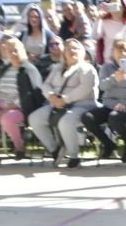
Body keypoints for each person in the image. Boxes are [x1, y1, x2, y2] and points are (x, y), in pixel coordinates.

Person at [28, 38, 99, 169]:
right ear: (64, 52)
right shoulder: (57, 68)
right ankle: (55, 150)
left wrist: (64, 99)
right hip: (57, 104)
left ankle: (74, 156)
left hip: (83, 105)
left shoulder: (87, 68)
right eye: (68, 48)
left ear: (82, 52)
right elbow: (46, 85)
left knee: (65, 122)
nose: (72, 51)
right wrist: (51, 96)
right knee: (34, 118)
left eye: (75, 48)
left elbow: (84, 88)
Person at [0, 37, 43, 166]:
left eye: (15, 50)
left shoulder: (30, 70)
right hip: (0, 107)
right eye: (10, 51)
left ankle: (19, 147)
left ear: (23, 50)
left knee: (7, 119)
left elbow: (29, 94)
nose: (13, 53)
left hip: (20, 109)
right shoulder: (4, 69)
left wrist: (6, 109)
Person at [81, 39, 126, 159]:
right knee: (87, 118)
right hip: (110, 105)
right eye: (118, 50)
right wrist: (114, 79)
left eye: (125, 50)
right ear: (113, 53)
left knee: (114, 117)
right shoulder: (107, 68)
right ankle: (108, 144)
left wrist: (124, 104)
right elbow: (102, 86)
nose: (122, 53)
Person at [95, 0, 126, 65]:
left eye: (115, 2)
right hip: (109, 63)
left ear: (123, 6)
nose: (113, 4)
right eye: (111, 3)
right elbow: (95, 36)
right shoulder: (104, 22)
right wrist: (98, 18)